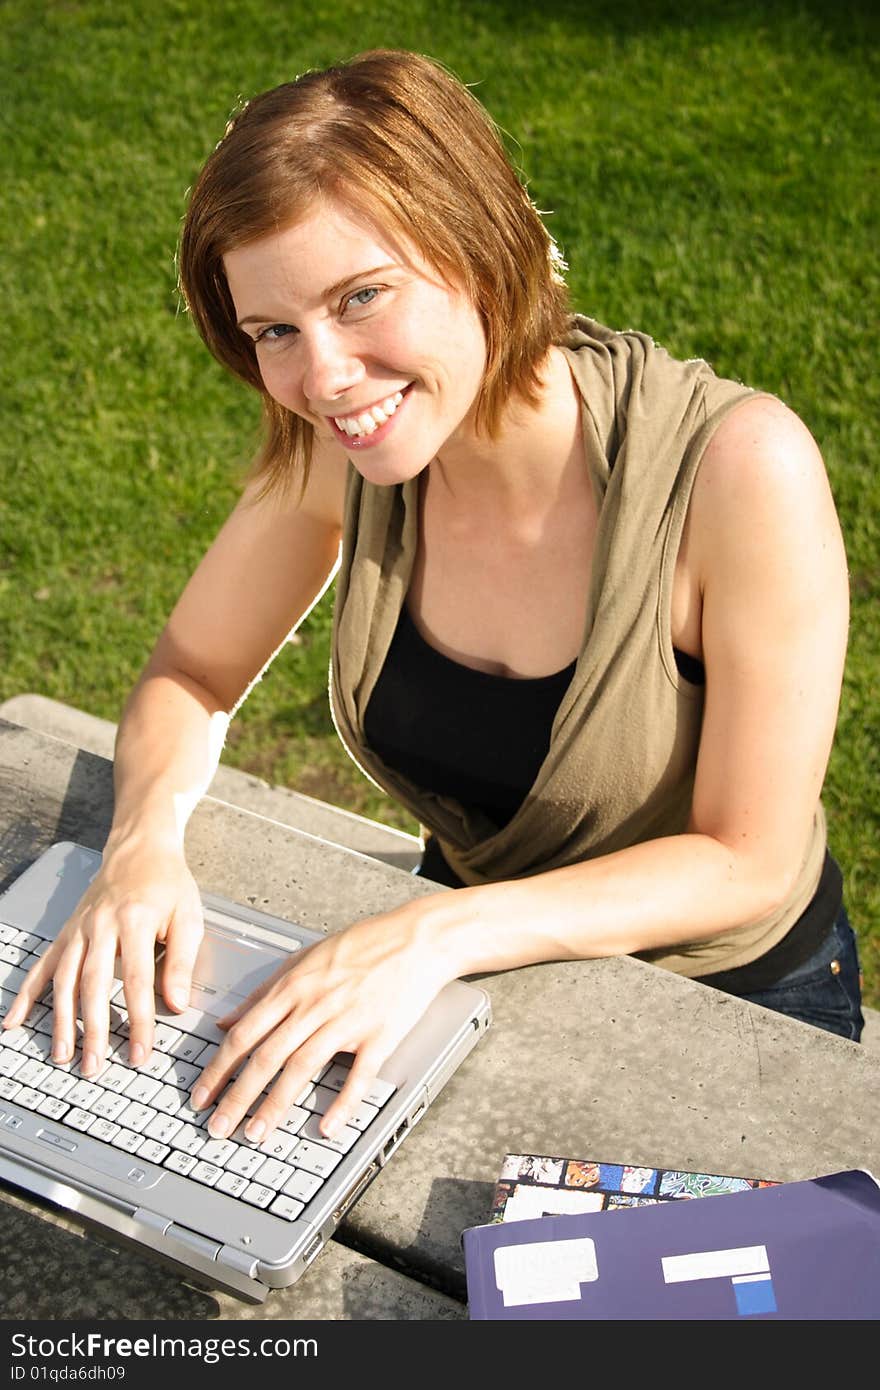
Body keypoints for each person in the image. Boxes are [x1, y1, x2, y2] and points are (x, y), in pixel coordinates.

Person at [3, 48, 864, 1147]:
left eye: (361, 297)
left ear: (485, 243)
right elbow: (193, 671)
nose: (321, 378)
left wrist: (425, 934)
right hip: (468, 956)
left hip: (726, 1005)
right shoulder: (345, 448)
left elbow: (743, 858)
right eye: (274, 331)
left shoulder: (737, 469)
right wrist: (141, 845)